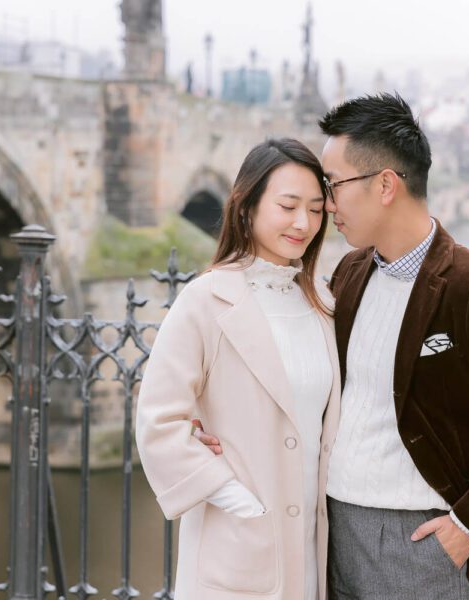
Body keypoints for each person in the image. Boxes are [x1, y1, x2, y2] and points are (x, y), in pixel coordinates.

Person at [317, 93, 469, 599]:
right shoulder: (349, 273)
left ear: (385, 184)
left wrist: (468, 527)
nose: (326, 203)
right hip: (331, 528)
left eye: (333, 185)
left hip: (419, 542)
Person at [135, 138, 342, 600]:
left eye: (315, 208)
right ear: (246, 207)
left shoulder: (323, 303)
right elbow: (157, 421)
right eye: (287, 206)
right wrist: (235, 500)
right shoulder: (205, 301)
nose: (303, 223)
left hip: (313, 544)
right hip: (240, 546)